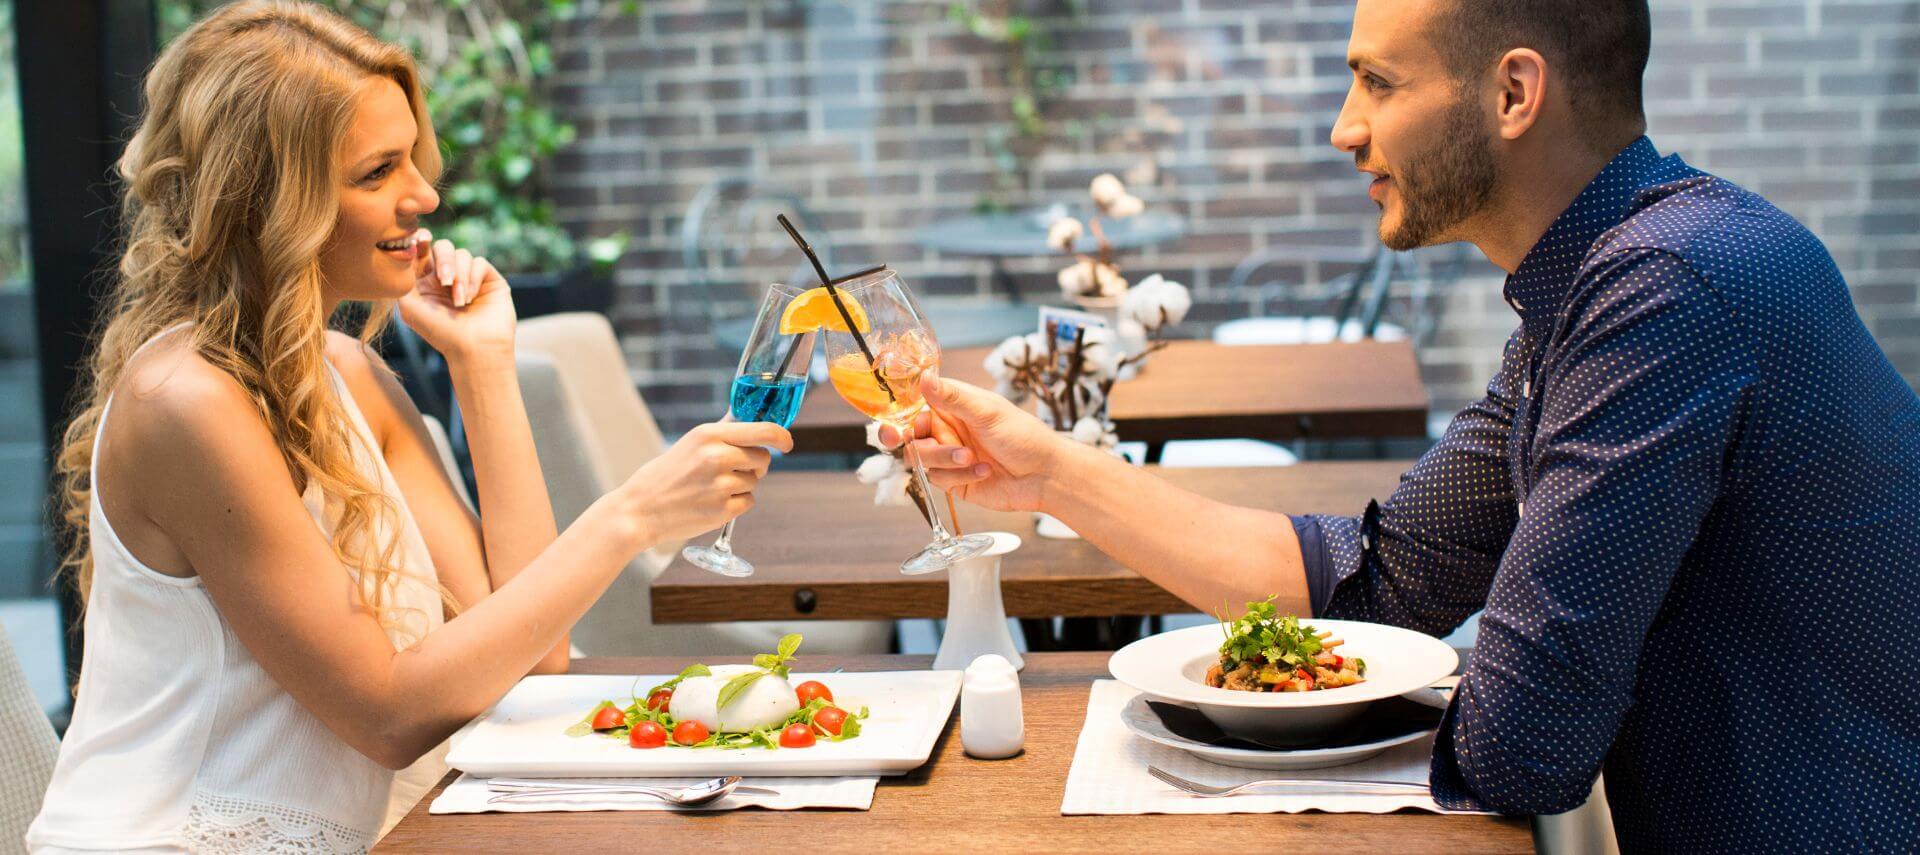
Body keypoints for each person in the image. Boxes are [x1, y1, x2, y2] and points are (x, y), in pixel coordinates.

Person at [902, 0, 1920, 850]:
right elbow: (1379, 584)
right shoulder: (1602, 286)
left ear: (1513, 94)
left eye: (1379, 84)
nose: (1345, 129)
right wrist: (1045, 473)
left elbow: (1526, 744)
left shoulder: (1667, 292)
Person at [25, 3, 787, 851]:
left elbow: (533, 656)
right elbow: (387, 713)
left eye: (413, 160)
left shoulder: (348, 371)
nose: (424, 195)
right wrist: (629, 515)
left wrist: (482, 367)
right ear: (271, 198)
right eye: (379, 170)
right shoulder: (186, 402)